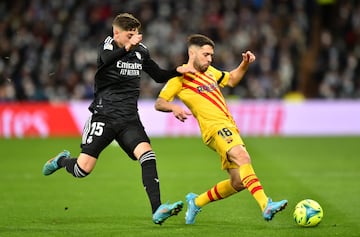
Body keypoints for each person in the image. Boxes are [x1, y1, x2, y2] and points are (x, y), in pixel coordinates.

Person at [42, 13, 191, 225]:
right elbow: (106, 61)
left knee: (147, 155)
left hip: (129, 118)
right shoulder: (107, 46)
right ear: (116, 33)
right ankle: (61, 161)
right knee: (82, 170)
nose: (135, 38)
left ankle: (157, 209)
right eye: (130, 35)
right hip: (104, 116)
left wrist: (177, 71)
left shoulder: (141, 50)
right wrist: (128, 47)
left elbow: (158, 75)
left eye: (137, 34)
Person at [154, 34, 288, 224]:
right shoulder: (179, 77)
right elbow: (159, 103)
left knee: (239, 182)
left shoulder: (210, 72)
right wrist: (174, 107)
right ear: (192, 53)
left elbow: (232, 79)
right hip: (214, 128)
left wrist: (245, 63)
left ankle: (197, 202)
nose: (209, 59)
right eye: (206, 55)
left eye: (211, 55)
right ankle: (265, 204)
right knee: (243, 157)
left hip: (228, 126)